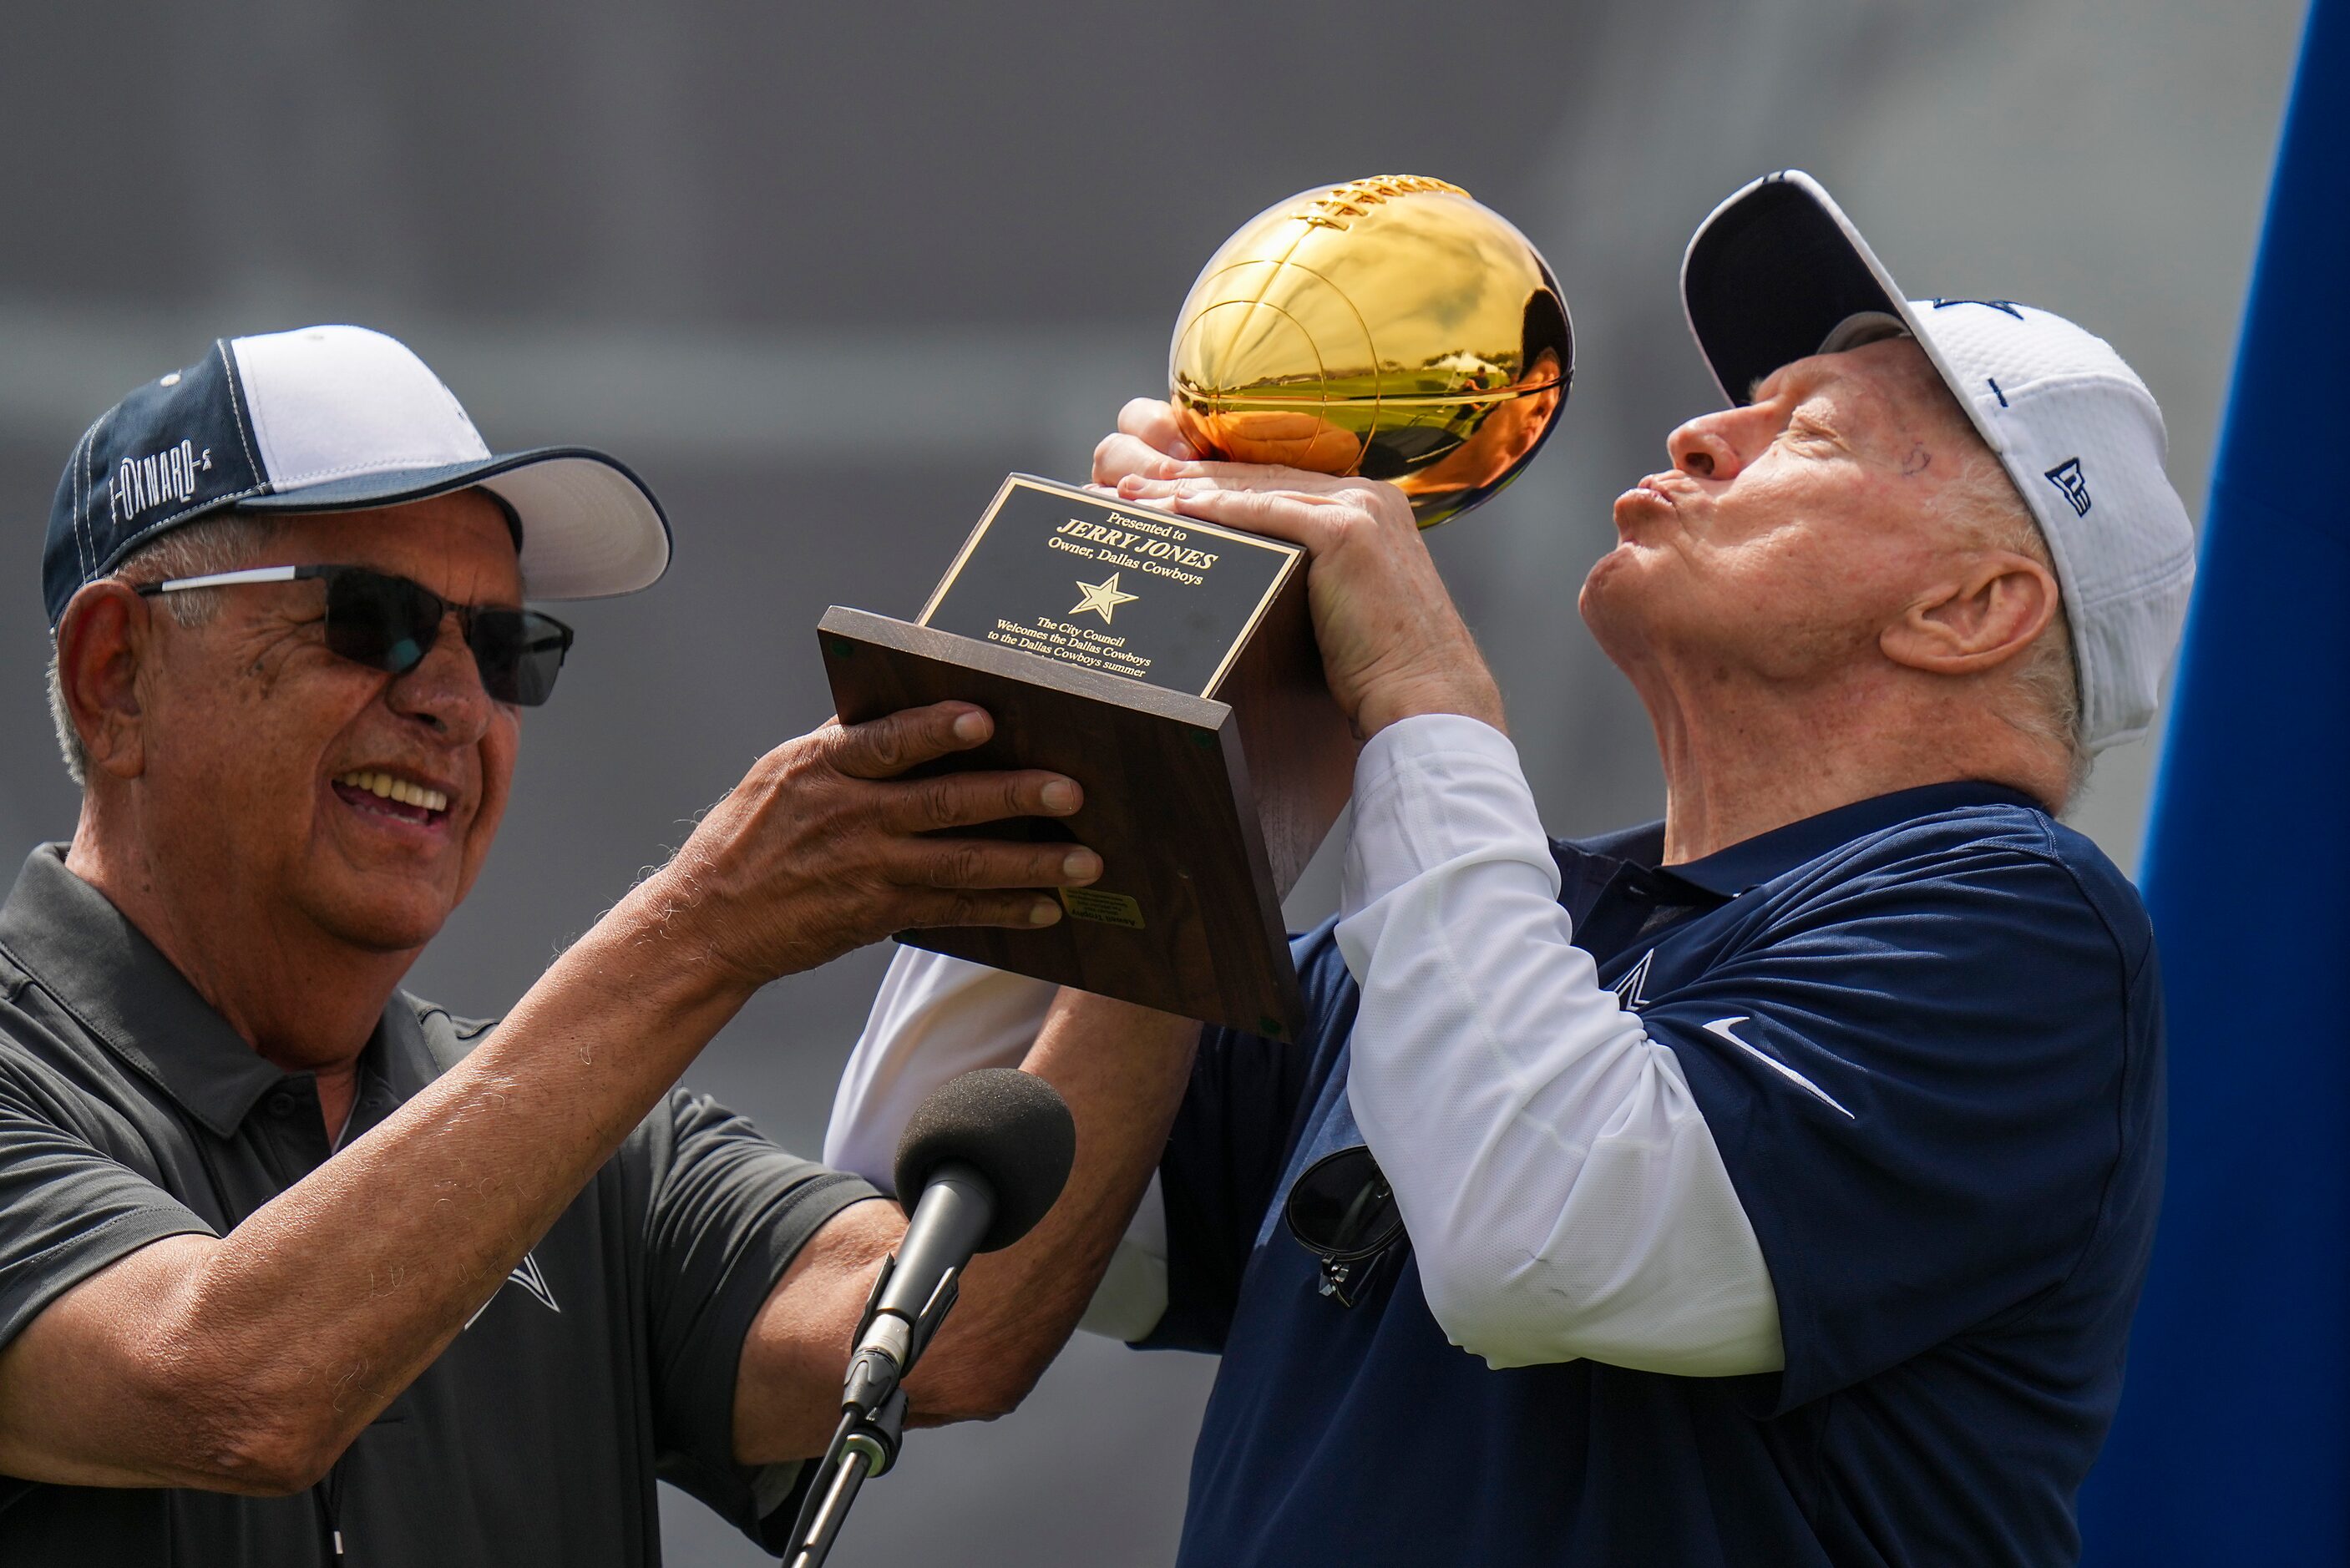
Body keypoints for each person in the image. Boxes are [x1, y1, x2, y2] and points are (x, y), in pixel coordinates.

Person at [826, 170, 2196, 1565]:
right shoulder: (1515, 925)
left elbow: (1541, 1249)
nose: (1702, 431)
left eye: (1814, 433)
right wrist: (1134, 705)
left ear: (1968, 609)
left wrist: (1423, 693)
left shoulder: (2022, 926)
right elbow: (958, 1209)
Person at [0, 323, 1201, 1564]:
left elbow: (961, 1323)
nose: (456, 702)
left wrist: (1180, 828)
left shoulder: (594, 1147)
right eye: (373, 619)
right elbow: (225, 1385)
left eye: (506, 647)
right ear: (117, 674)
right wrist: (706, 926)